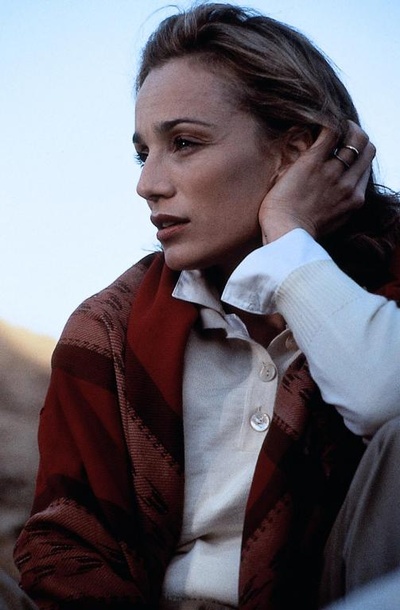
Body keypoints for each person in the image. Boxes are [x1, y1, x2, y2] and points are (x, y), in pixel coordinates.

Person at [14, 3, 400, 609]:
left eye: (184, 143)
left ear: (298, 150)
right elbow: (67, 542)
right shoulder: (110, 330)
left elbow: (385, 397)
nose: (148, 184)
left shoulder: (386, 282)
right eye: (144, 152)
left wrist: (289, 238)